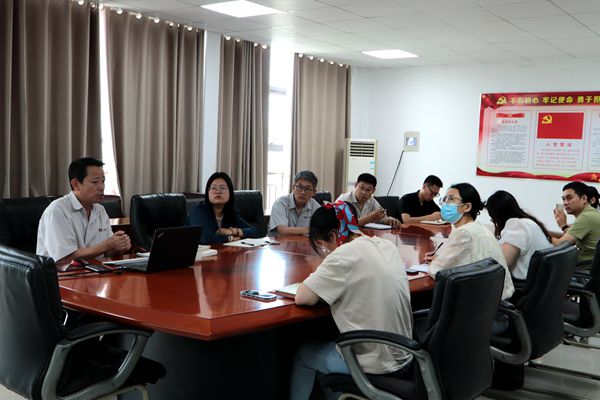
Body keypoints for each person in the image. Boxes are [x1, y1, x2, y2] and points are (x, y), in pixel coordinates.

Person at [291, 201, 413, 400]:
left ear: (333, 236)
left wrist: (321, 267)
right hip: (405, 355)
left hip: (375, 365)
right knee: (326, 349)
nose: (322, 250)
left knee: (304, 354)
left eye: (320, 244)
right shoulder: (386, 245)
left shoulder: (343, 254)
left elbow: (303, 297)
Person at [425, 183, 514, 300]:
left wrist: (435, 262)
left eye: (451, 199)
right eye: (445, 199)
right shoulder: (479, 228)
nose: (445, 203)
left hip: (478, 302)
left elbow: (438, 271)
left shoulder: (464, 232)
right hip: (494, 300)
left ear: (467, 207)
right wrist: (441, 258)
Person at [36, 157, 131, 265]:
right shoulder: (57, 210)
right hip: (61, 274)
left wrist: (118, 246)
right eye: (95, 182)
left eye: (103, 181)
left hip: (95, 270)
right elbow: (64, 257)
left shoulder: (100, 210)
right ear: (76, 184)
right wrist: (108, 245)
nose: (101, 187)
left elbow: (105, 252)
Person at [486, 190, 552, 280]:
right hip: (541, 281)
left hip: (523, 284)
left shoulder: (517, 226)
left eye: (493, 219)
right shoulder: (529, 222)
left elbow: (501, 263)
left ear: (497, 216)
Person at [188, 172, 258, 244]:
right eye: (213, 188)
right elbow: (206, 239)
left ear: (230, 192)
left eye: (222, 188)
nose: (218, 191)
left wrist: (232, 231)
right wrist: (231, 238)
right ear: (208, 192)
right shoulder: (199, 210)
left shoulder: (230, 212)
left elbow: (255, 232)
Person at [553, 181, 600, 266]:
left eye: (569, 198)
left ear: (584, 199)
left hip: (584, 269)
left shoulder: (586, 217)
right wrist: (545, 231)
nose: (565, 203)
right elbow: (570, 236)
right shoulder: (591, 213)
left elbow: (560, 245)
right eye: (563, 199)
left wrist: (542, 235)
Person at [336, 173, 401, 227]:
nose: (364, 192)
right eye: (361, 188)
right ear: (356, 185)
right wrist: (370, 217)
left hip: (364, 234)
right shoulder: (344, 200)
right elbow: (345, 224)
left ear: (373, 191)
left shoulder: (372, 201)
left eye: (368, 190)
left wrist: (390, 220)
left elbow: (383, 218)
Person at [269, 170, 321, 235]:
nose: (303, 192)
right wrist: (309, 230)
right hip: (280, 241)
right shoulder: (280, 203)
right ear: (293, 187)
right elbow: (283, 231)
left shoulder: (315, 206)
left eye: (307, 189)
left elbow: (322, 229)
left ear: (314, 192)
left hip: (304, 241)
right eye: (299, 187)